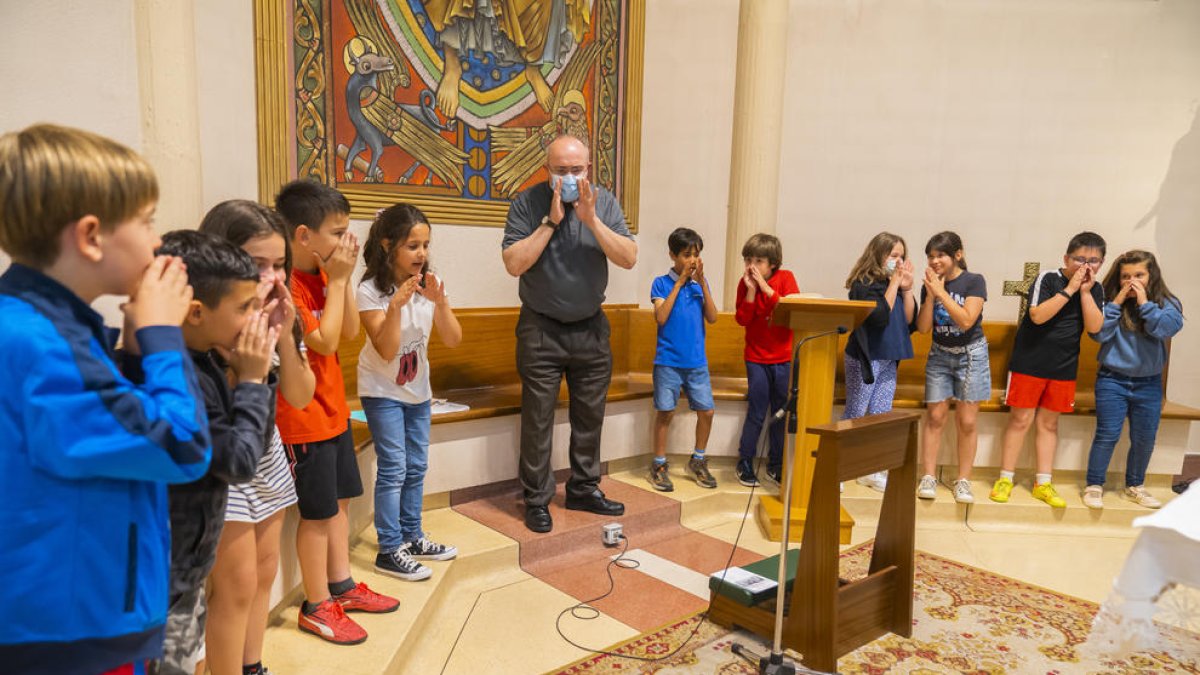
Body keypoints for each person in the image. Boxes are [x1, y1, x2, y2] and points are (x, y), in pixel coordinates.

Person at [0, 124, 211, 675]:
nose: (157, 241)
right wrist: (165, 339)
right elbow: (182, 446)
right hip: (68, 631)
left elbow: (114, 436)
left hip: (65, 616)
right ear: (92, 236)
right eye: (146, 222)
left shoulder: (42, 327)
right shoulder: (41, 345)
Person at [149, 230, 279, 675]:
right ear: (197, 312)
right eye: (244, 307)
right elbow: (239, 463)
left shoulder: (205, 357)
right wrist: (253, 382)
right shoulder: (177, 376)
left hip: (188, 566)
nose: (253, 317)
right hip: (166, 573)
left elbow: (255, 446)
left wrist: (254, 376)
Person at [275, 180, 398, 645]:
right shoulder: (288, 285)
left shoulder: (326, 274)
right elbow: (320, 341)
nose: (347, 241)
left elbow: (347, 330)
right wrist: (342, 280)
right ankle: (316, 603)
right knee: (319, 514)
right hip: (301, 418)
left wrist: (340, 279)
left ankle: (342, 586)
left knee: (341, 501)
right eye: (338, 231)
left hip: (334, 412)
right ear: (303, 235)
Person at [199, 201, 313, 675]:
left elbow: (300, 393)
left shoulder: (279, 312)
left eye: (278, 264)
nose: (270, 276)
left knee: (265, 568)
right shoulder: (211, 317)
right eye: (255, 264)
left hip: (264, 449)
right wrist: (242, 360)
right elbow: (215, 403)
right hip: (225, 454)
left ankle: (251, 665)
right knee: (235, 583)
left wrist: (284, 335)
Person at [501, 134, 637, 534]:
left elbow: (629, 257)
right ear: (547, 171)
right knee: (538, 419)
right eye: (561, 171)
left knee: (590, 415)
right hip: (540, 328)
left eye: (576, 170)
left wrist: (591, 220)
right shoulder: (527, 203)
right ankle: (537, 499)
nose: (569, 178)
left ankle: (583, 487)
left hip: (591, 328)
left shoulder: (604, 202)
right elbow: (513, 263)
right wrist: (551, 221)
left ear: (588, 169)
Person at [358, 204, 463, 580]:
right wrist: (396, 308)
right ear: (388, 246)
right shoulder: (370, 291)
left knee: (417, 466)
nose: (422, 254)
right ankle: (389, 548)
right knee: (394, 468)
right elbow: (386, 349)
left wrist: (441, 302)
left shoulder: (431, 286)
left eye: (425, 245)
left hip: (418, 392)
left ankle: (412, 535)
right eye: (412, 246)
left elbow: (453, 339)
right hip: (381, 391)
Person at [991, 232, 1106, 508]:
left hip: (1064, 366)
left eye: (1094, 261)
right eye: (1079, 259)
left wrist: (1086, 292)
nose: (1085, 266)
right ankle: (1005, 477)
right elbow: (1038, 315)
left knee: (1049, 423)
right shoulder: (1048, 278)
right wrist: (1070, 289)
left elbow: (1094, 328)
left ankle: (1043, 482)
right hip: (1029, 362)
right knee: (1020, 420)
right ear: (1066, 258)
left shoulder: (1097, 289)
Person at [1083, 250, 1183, 510]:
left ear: (1152, 276)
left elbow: (1165, 328)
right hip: (1111, 380)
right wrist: (1116, 301)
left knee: (1145, 437)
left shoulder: (1167, 303)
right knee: (1107, 434)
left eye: (1139, 275)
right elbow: (1098, 334)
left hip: (1149, 383)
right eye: (1126, 276)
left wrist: (1144, 303)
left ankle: (1135, 486)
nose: (1132, 281)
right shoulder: (1108, 302)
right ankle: (1094, 484)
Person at [915, 231, 989, 504]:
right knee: (935, 417)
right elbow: (923, 328)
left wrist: (940, 292)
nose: (934, 261)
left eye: (940, 255)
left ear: (957, 255)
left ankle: (964, 481)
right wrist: (930, 296)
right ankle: (928, 476)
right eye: (931, 256)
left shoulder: (974, 281)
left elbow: (967, 320)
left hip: (971, 356)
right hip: (939, 355)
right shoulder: (931, 286)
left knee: (967, 421)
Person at [842, 232, 917, 492]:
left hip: (889, 357)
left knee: (880, 414)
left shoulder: (896, 283)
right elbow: (877, 317)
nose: (898, 261)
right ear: (879, 254)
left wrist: (907, 289)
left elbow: (909, 320)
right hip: (865, 356)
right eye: (893, 255)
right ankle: (838, 468)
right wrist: (894, 283)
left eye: (902, 256)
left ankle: (872, 471)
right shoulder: (863, 284)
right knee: (856, 411)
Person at [647, 227, 719, 492]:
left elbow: (712, 317)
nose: (692, 260)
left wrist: (703, 282)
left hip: (696, 362)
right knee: (666, 412)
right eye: (687, 254)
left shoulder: (700, 284)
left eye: (696, 254)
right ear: (672, 255)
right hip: (668, 361)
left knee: (707, 411)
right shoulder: (660, 283)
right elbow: (661, 316)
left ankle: (698, 459)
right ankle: (659, 464)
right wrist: (678, 284)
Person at [734, 233, 800, 487]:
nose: (751, 266)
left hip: (783, 358)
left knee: (781, 412)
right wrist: (751, 292)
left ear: (772, 262)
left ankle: (776, 464)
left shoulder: (786, 278)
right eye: (748, 259)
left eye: (758, 260)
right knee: (757, 411)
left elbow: (788, 308)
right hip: (756, 358)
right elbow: (742, 319)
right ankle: (746, 461)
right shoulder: (744, 283)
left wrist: (764, 287)